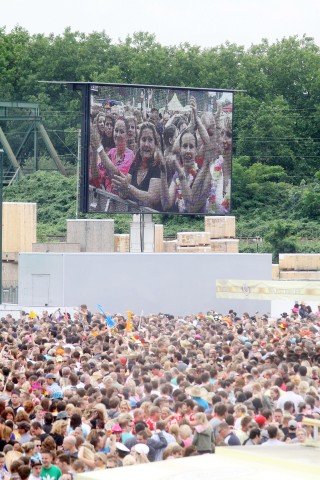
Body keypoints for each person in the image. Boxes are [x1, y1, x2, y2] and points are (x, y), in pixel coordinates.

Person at [112, 122, 161, 210]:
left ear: (156, 144)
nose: (146, 144)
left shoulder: (158, 165)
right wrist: (121, 188)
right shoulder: (136, 163)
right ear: (138, 143)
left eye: (150, 140)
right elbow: (124, 194)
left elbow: (151, 199)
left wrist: (129, 188)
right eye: (143, 139)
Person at [92, 117, 134, 194]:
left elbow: (116, 175)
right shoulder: (111, 152)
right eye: (116, 130)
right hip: (107, 199)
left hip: (121, 203)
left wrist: (98, 146)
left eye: (121, 132)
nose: (118, 135)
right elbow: (96, 176)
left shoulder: (130, 155)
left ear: (127, 135)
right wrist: (95, 149)